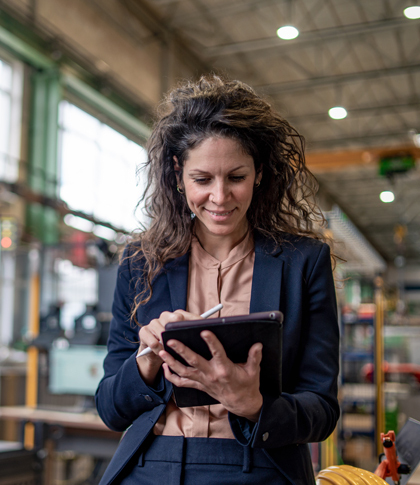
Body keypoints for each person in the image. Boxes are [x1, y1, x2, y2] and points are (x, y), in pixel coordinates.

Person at [95, 75, 340, 485]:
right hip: (151, 465)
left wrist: (253, 403)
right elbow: (110, 407)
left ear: (260, 172)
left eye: (236, 177)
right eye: (203, 179)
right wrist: (149, 360)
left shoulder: (304, 262)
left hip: (258, 465)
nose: (221, 197)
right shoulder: (141, 263)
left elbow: (322, 409)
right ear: (178, 175)